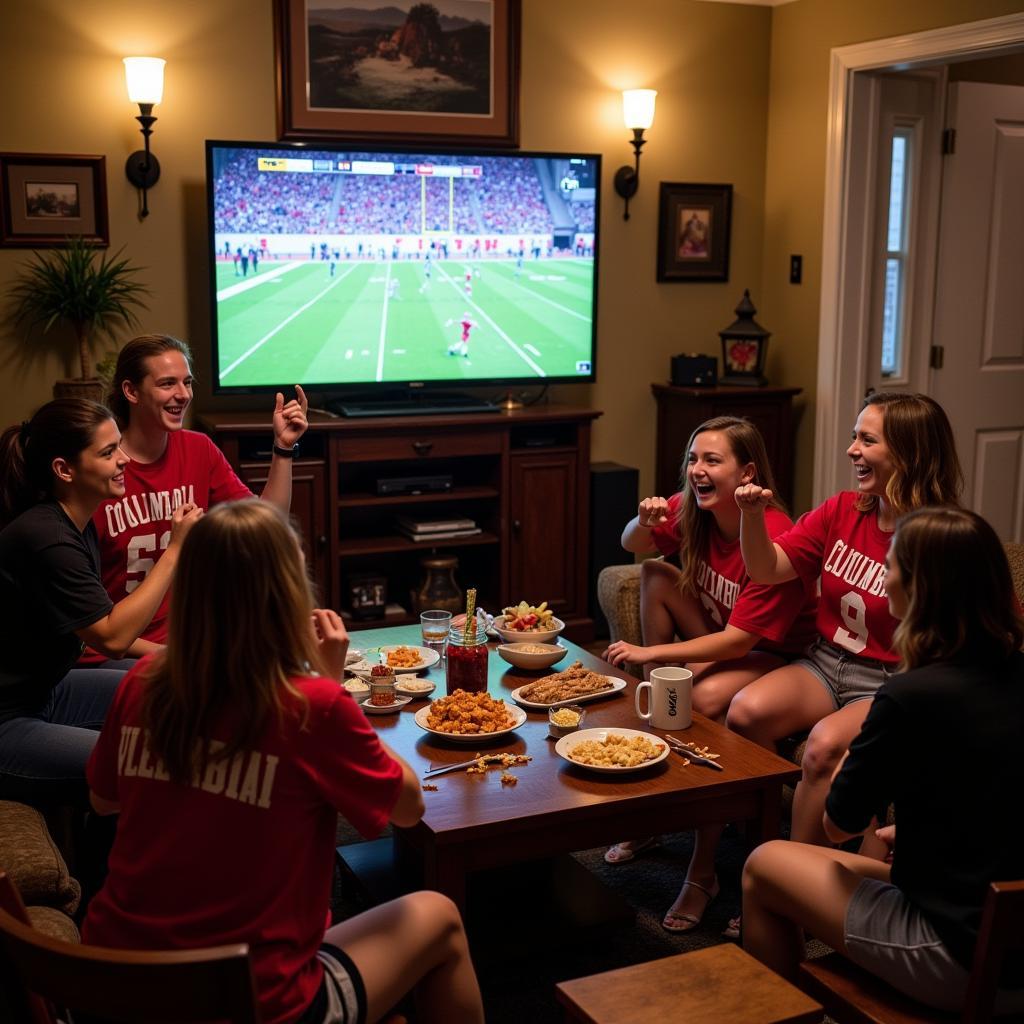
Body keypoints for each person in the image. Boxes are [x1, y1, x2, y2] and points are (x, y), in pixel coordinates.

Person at [82, 501, 485, 1024]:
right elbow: (408, 809)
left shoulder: (139, 685)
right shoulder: (308, 705)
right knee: (441, 918)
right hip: (251, 1001)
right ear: (285, 596)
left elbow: (102, 799)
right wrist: (333, 686)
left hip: (112, 988)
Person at [742, 507, 1024, 1016]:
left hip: (961, 953)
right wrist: (916, 829)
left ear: (919, 589)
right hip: (1008, 924)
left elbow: (836, 824)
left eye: (891, 567)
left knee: (764, 866)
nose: (883, 579)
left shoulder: (908, 697)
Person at [600, 417, 817, 932]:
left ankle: (703, 870)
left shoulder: (774, 532)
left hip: (775, 654)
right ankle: (655, 817)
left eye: (711, 461)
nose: (697, 469)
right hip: (726, 633)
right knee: (655, 572)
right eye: (694, 459)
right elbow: (631, 543)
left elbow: (742, 641)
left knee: (696, 702)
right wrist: (645, 520)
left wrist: (651, 658)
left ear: (747, 472)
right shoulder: (694, 509)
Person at [730, 393, 963, 849]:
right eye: (854, 437)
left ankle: (790, 882)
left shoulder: (940, 534)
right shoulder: (842, 509)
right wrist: (752, 517)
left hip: (888, 680)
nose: (852, 449)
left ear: (908, 452)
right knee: (744, 711)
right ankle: (756, 838)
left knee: (821, 746)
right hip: (825, 661)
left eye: (867, 440)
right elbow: (766, 569)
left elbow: (990, 623)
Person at [0, 399, 201, 806]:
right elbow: (112, 636)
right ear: (64, 469)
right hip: (8, 720)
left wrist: (175, 657)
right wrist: (175, 550)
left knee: (175, 690)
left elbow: (100, 629)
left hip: (47, 692)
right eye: (109, 452)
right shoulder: (47, 538)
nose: (125, 459)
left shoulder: (76, 522)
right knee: (150, 766)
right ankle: (119, 869)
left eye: (119, 446)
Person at [82, 333, 308, 667]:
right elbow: (94, 627)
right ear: (131, 391)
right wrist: (175, 657)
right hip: (121, 652)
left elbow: (266, 526)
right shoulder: (102, 469)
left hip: (191, 642)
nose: (183, 395)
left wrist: (283, 448)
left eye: (187, 382)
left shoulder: (198, 449)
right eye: (167, 384)